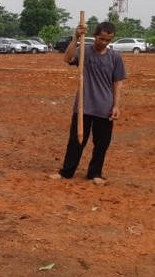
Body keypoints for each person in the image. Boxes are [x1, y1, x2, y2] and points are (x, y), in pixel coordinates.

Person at [51, 21, 126, 185]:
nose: (104, 42)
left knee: (102, 143)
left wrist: (116, 105)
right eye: (101, 38)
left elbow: (118, 82)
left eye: (108, 40)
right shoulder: (84, 51)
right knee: (75, 142)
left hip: (105, 107)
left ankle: (95, 173)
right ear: (95, 35)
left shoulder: (115, 57)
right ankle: (66, 172)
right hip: (83, 106)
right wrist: (76, 37)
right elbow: (67, 58)